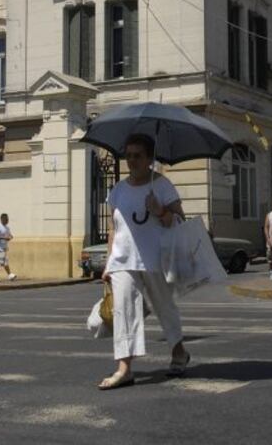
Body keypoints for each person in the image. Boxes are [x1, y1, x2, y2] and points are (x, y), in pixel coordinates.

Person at [99, 133, 189, 390]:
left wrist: (160, 211)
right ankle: (124, 368)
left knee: (163, 307)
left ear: (150, 158)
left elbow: (180, 220)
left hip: (154, 258)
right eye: (128, 155)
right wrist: (109, 263)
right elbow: (113, 229)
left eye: (138, 155)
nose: (132, 160)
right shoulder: (117, 190)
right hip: (122, 260)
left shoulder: (162, 185)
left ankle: (179, 352)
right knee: (123, 311)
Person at [0, 213, 17, 281]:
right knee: (4, 261)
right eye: (6, 219)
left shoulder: (7, 227)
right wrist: (4, 238)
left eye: (7, 219)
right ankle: (10, 275)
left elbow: (10, 235)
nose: (7, 221)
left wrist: (10, 237)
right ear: (2, 219)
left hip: (4, 247)